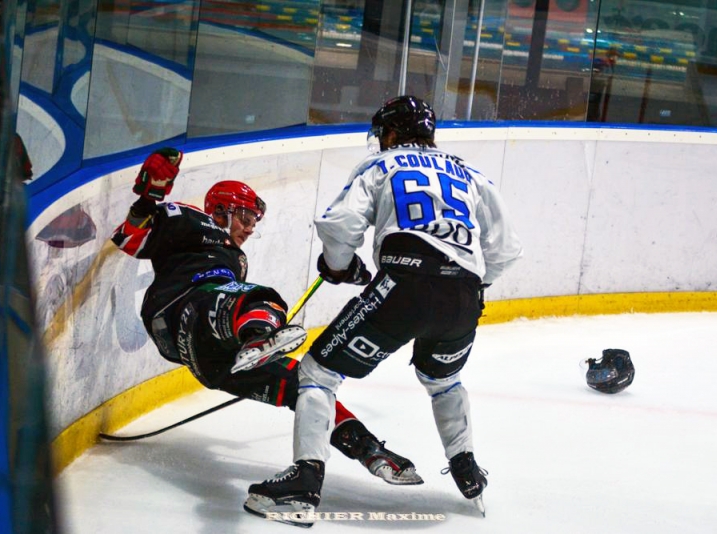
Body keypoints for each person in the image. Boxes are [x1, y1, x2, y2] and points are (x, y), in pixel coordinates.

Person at [242, 95, 523, 526]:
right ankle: (466, 467)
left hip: (405, 286)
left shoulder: (380, 166)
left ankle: (302, 485)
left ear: (391, 132)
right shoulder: (472, 173)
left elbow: (340, 226)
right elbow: (504, 251)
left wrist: (338, 266)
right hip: (465, 296)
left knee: (317, 372)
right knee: (443, 379)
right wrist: (466, 285)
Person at [111, 147, 423, 487]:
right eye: (244, 218)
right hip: (183, 308)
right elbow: (130, 238)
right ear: (219, 212)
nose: (248, 229)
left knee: (307, 386)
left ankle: (370, 451)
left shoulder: (234, 258)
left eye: (252, 223)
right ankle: (258, 336)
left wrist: (355, 272)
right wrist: (150, 196)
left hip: (212, 359)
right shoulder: (191, 218)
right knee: (260, 300)